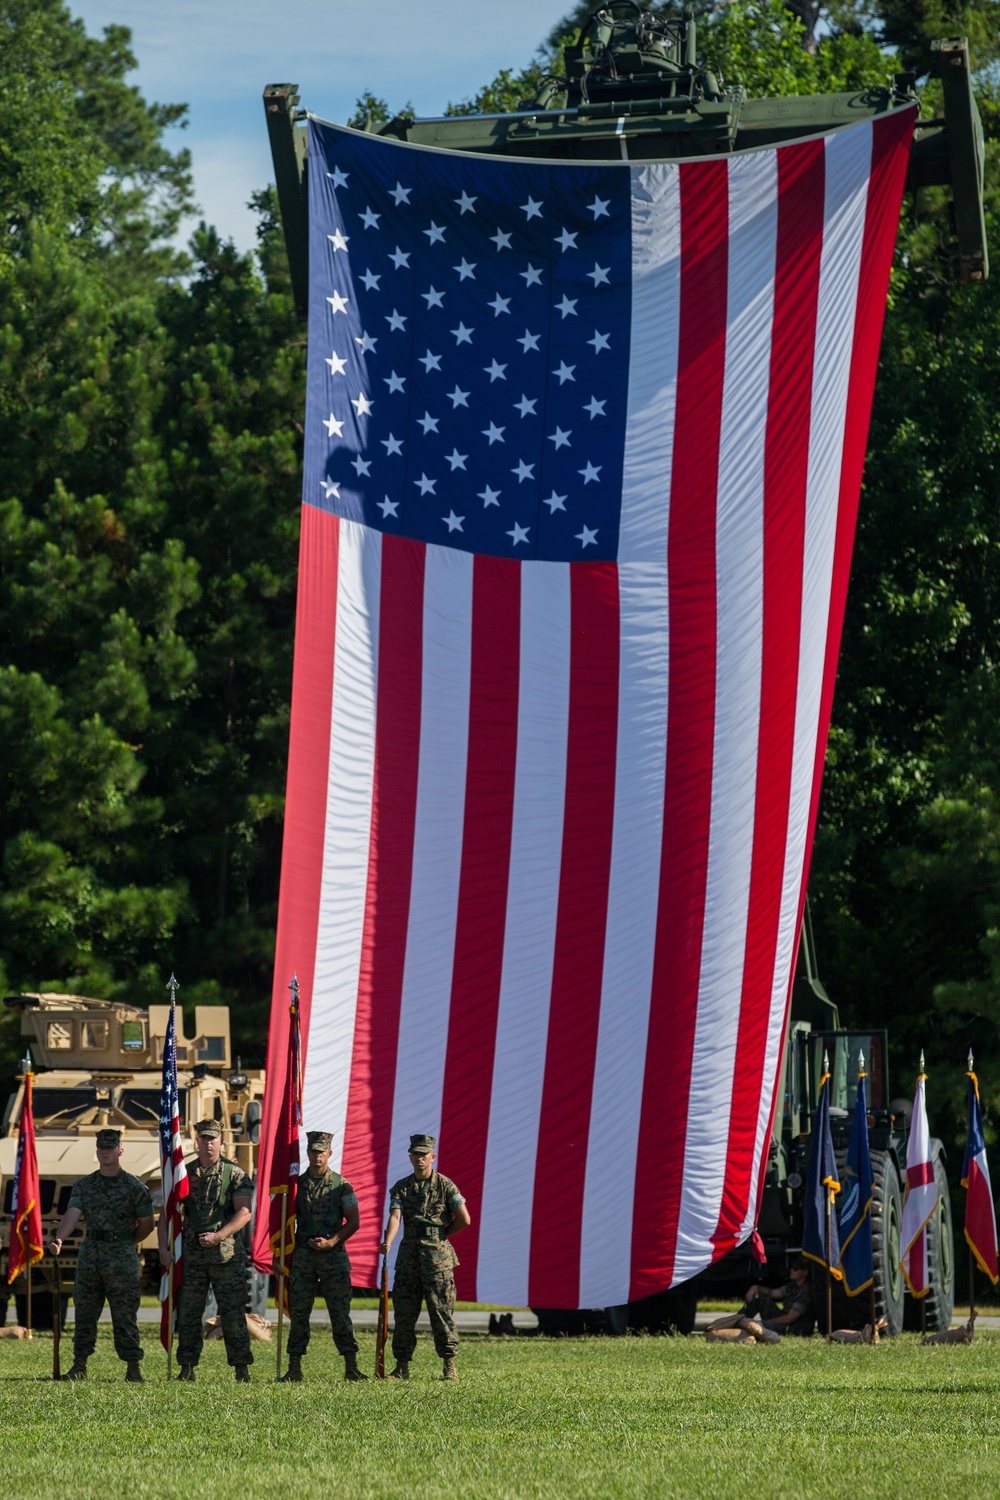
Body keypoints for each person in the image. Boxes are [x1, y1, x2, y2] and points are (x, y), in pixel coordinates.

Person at [48, 1127, 155, 1382]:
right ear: (97, 1152)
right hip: (91, 1255)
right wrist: (60, 1238)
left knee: (125, 1313)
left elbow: (147, 1223)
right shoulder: (85, 1185)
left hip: (121, 1256)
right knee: (85, 1311)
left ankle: (133, 1368)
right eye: (101, 1148)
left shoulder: (134, 1187)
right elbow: (73, 1213)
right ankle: (79, 1365)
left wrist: (128, 1242)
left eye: (110, 1147)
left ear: (120, 1150)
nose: (105, 1152)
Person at [162, 1119, 254, 1382]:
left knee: (233, 1313)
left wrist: (219, 1236)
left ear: (221, 1141)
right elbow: (169, 1213)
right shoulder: (183, 1173)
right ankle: (186, 1367)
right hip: (192, 1257)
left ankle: (241, 1369)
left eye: (213, 1138)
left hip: (225, 1257)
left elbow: (244, 1212)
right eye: (204, 1138)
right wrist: (162, 1247)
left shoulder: (234, 1174)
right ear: (197, 1140)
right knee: (189, 1315)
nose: (208, 1142)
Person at [379, 1133, 471, 1382]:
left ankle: (449, 1365)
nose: (420, 1159)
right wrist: (388, 1240)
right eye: (416, 1154)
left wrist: (440, 1236)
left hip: (437, 1260)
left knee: (441, 1312)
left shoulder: (445, 1185)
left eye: (424, 1154)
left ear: (433, 1156)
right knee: (405, 1314)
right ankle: (401, 1367)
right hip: (409, 1257)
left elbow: (464, 1218)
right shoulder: (402, 1186)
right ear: (410, 1156)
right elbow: (396, 1216)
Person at [279, 1129, 364, 1383]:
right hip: (304, 1257)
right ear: (307, 1153)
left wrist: (331, 1242)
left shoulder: (341, 1185)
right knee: (299, 1313)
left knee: (340, 1312)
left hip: (334, 1258)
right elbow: (282, 1220)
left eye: (322, 1151)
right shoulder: (296, 1185)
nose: (317, 1156)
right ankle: (294, 1368)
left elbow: (354, 1221)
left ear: (329, 1153)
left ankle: (351, 1367)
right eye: (313, 1151)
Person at [740, 1256, 815, 1335]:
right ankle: (736, 1320)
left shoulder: (806, 1292)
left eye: (795, 1269)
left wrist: (764, 1322)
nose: (791, 1270)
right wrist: (756, 1287)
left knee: (760, 1326)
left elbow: (789, 1318)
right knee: (761, 1300)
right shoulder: (792, 1286)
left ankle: (740, 1328)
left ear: (805, 1272)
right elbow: (772, 1293)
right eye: (792, 1268)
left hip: (796, 1328)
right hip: (785, 1320)